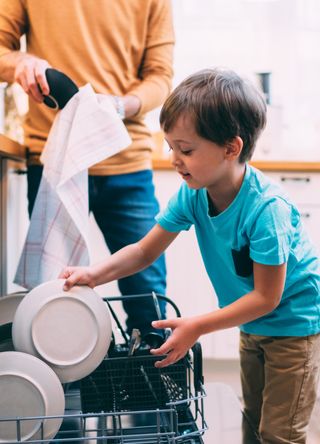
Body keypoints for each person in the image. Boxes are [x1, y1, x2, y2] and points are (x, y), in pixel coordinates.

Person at [59, 67, 320, 443]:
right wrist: (94, 275)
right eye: (170, 147)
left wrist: (197, 325)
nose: (174, 159)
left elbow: (268, 297)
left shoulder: (267, 211)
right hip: (253, 325)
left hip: (294, 327)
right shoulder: (195, 193)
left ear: (231, 148)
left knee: (280, 433)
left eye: (186, 150)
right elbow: (144, 250)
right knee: (254, 421)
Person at [0, 0, 175, 337]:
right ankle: (59, 390)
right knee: (51, 299)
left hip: (125, 159)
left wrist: (119, 106)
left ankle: (150, 385)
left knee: (148, 305)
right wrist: (21, 62)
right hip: (55, 161)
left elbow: (160, 77)